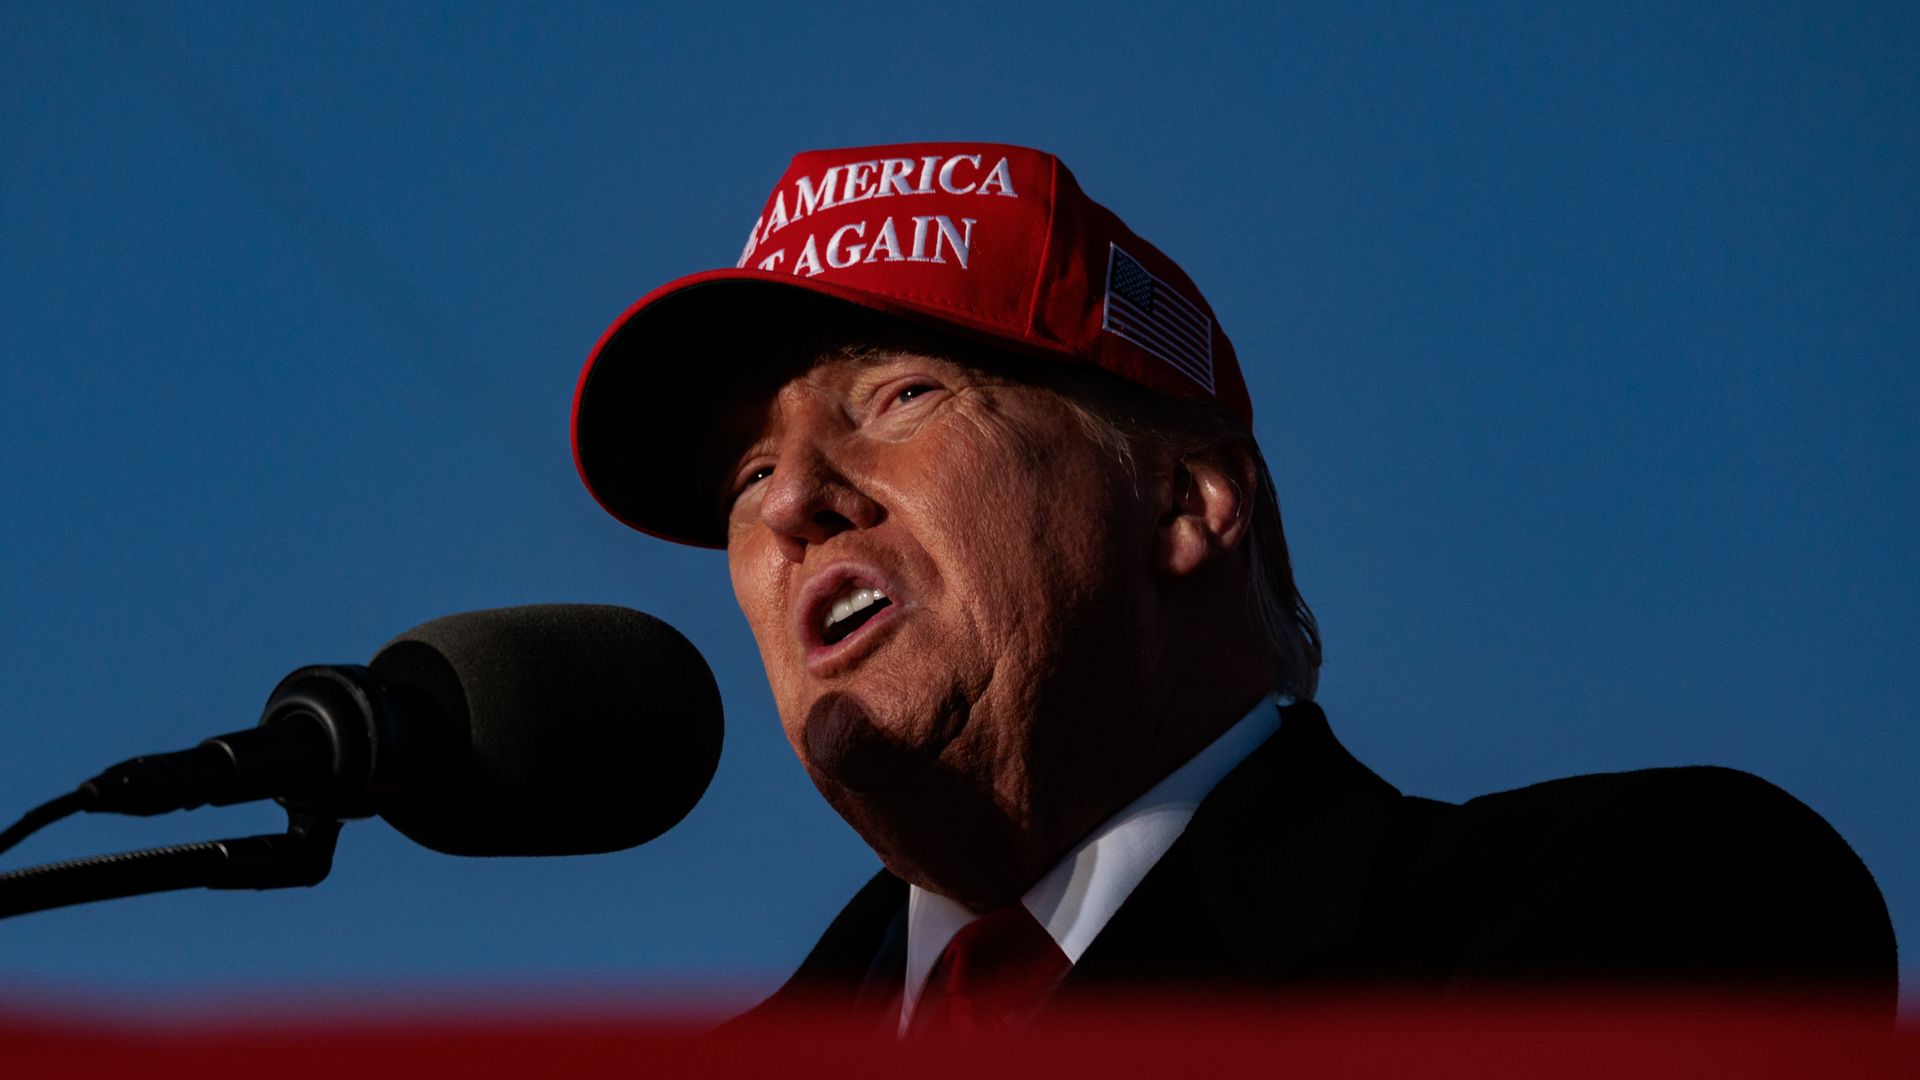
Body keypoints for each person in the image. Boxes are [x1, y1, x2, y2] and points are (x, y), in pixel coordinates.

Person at [569, 142, 1897, 1031]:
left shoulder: (1630, 915)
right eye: (747, 474)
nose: (792, 505)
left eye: (902, 396)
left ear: (1189, 498)